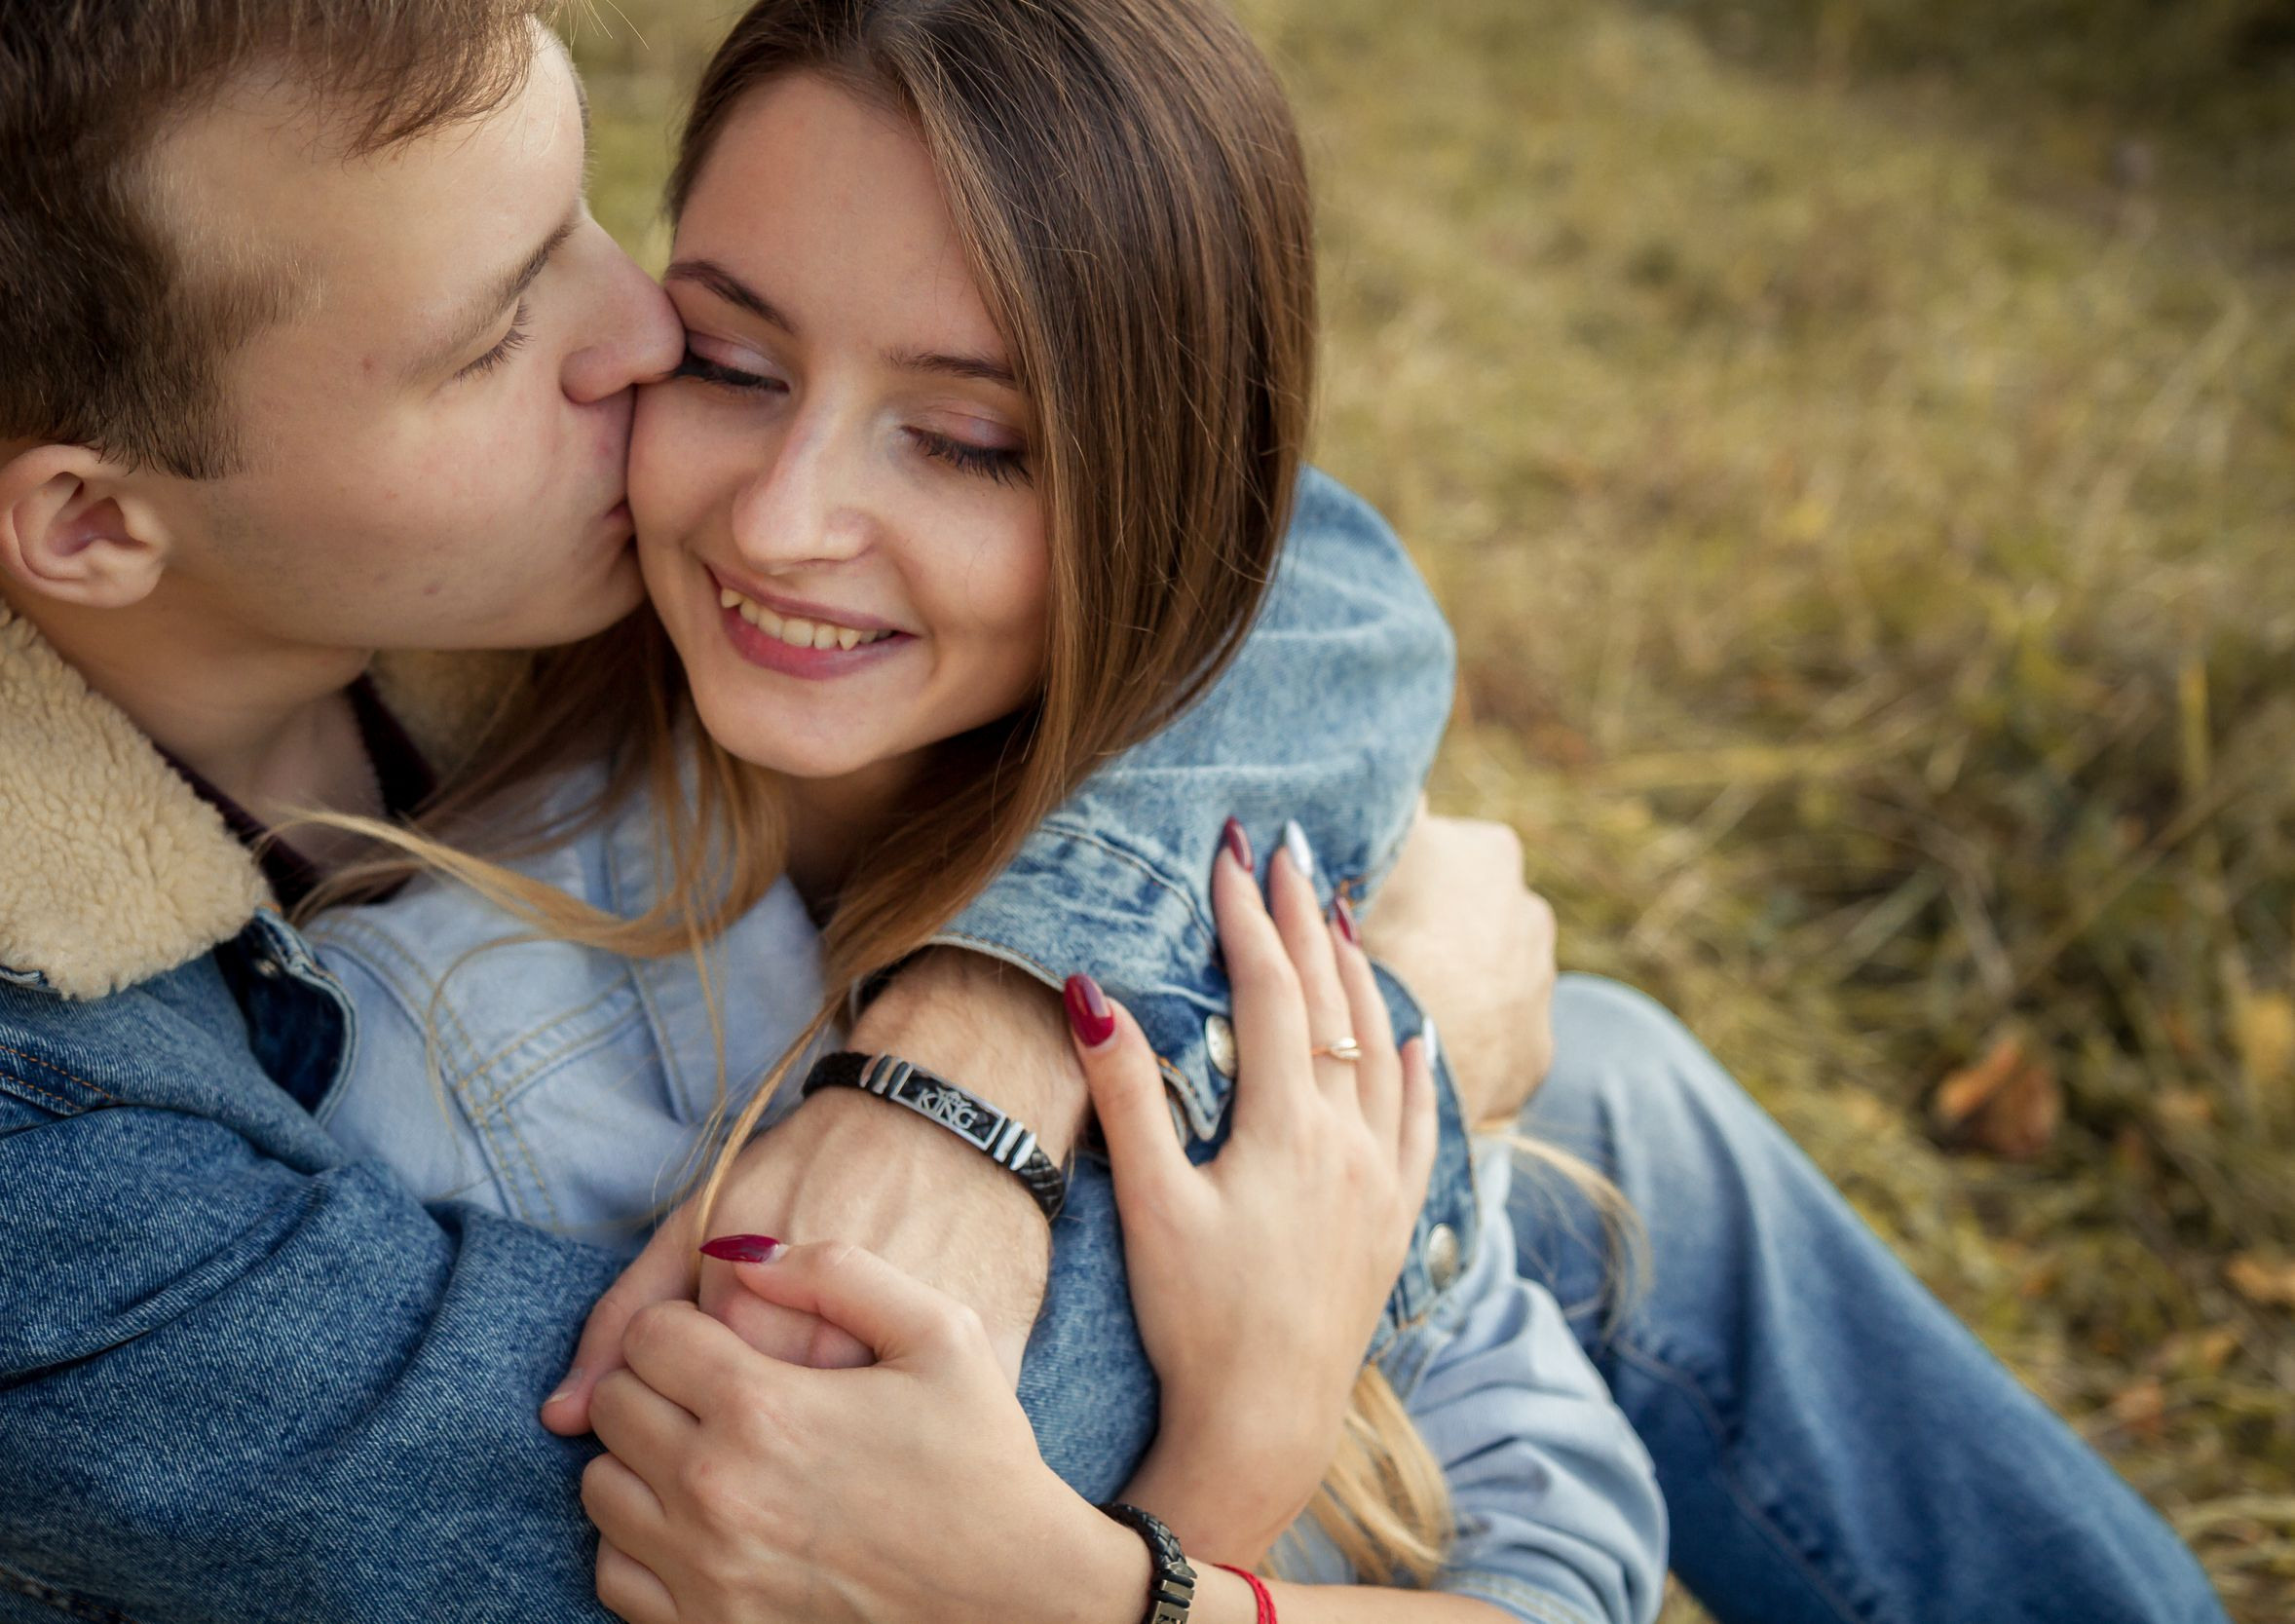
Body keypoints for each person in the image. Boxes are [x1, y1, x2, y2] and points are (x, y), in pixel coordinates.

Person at [0, 2, 2226, 1622]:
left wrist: (983, 1048)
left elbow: (1278, 552)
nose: (631, 350)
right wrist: (1362, 1079)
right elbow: (712, 1530)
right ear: (88, 518)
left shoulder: (554, 571)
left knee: (1619, 1102)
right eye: (499, 334)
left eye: (614, 241)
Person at [303, 4, 1666, 1618]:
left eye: (965, 441)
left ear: (1165, 495)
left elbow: (1571, 1557)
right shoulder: (460, 1067)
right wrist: (1230, 1466)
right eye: (733, 362)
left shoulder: (1223, 864)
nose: (787, 518)